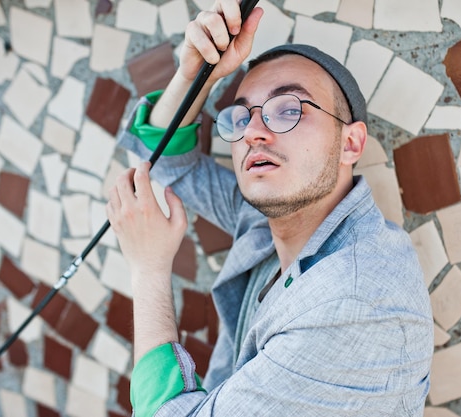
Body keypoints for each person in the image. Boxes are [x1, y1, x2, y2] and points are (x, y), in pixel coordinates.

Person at [106, 1, 433, 415]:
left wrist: (148, 269)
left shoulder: (354, 305)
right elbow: (168, 161)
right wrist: (196, 73)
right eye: (242, 117)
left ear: (351, 143)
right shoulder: (271, 221)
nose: (255, 132)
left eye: (289, 109)